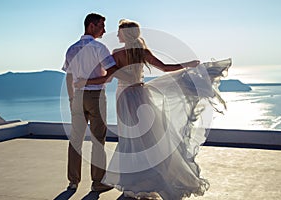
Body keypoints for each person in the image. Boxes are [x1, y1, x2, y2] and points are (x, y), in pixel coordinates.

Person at [75, 19, 231, 199]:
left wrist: (85, 81)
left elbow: (107, 78)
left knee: (130, 139)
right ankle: (151, 178)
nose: (116, 34)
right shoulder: (142, 52)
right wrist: (188, 64)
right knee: (148, 138)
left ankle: (136, 182)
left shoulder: (116, 53)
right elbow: (165, 68)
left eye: (119, 32)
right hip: (141, 95)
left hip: (124, 97)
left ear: (125, 34)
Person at [62, 13, 117, 192]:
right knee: (98, 140)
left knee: (75, 139)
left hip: (77, 97)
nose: (104, 30)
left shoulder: (71, 49)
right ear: (91, 26)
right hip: (95, 98)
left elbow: (69, 76)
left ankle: (73, 181)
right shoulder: (99, 48)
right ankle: (98, 182)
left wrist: (72, 99)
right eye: (102, 25)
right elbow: (111, 74)